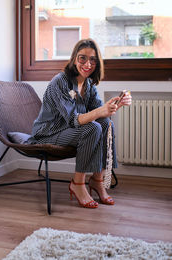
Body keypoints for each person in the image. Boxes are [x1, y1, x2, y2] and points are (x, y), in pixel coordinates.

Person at [29, 38, 132, 209]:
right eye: (82, 58)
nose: (87, 63)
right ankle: (77, 184)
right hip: (48, 133)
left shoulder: (89, 84)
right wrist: (100, 111)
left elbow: (100, 113)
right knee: (92, 128)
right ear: (74, 59)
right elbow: (73, 119)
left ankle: (97, 180)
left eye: (92, 59)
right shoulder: (60, 82)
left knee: (106, 124)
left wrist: (116, 105)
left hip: (69, 131)